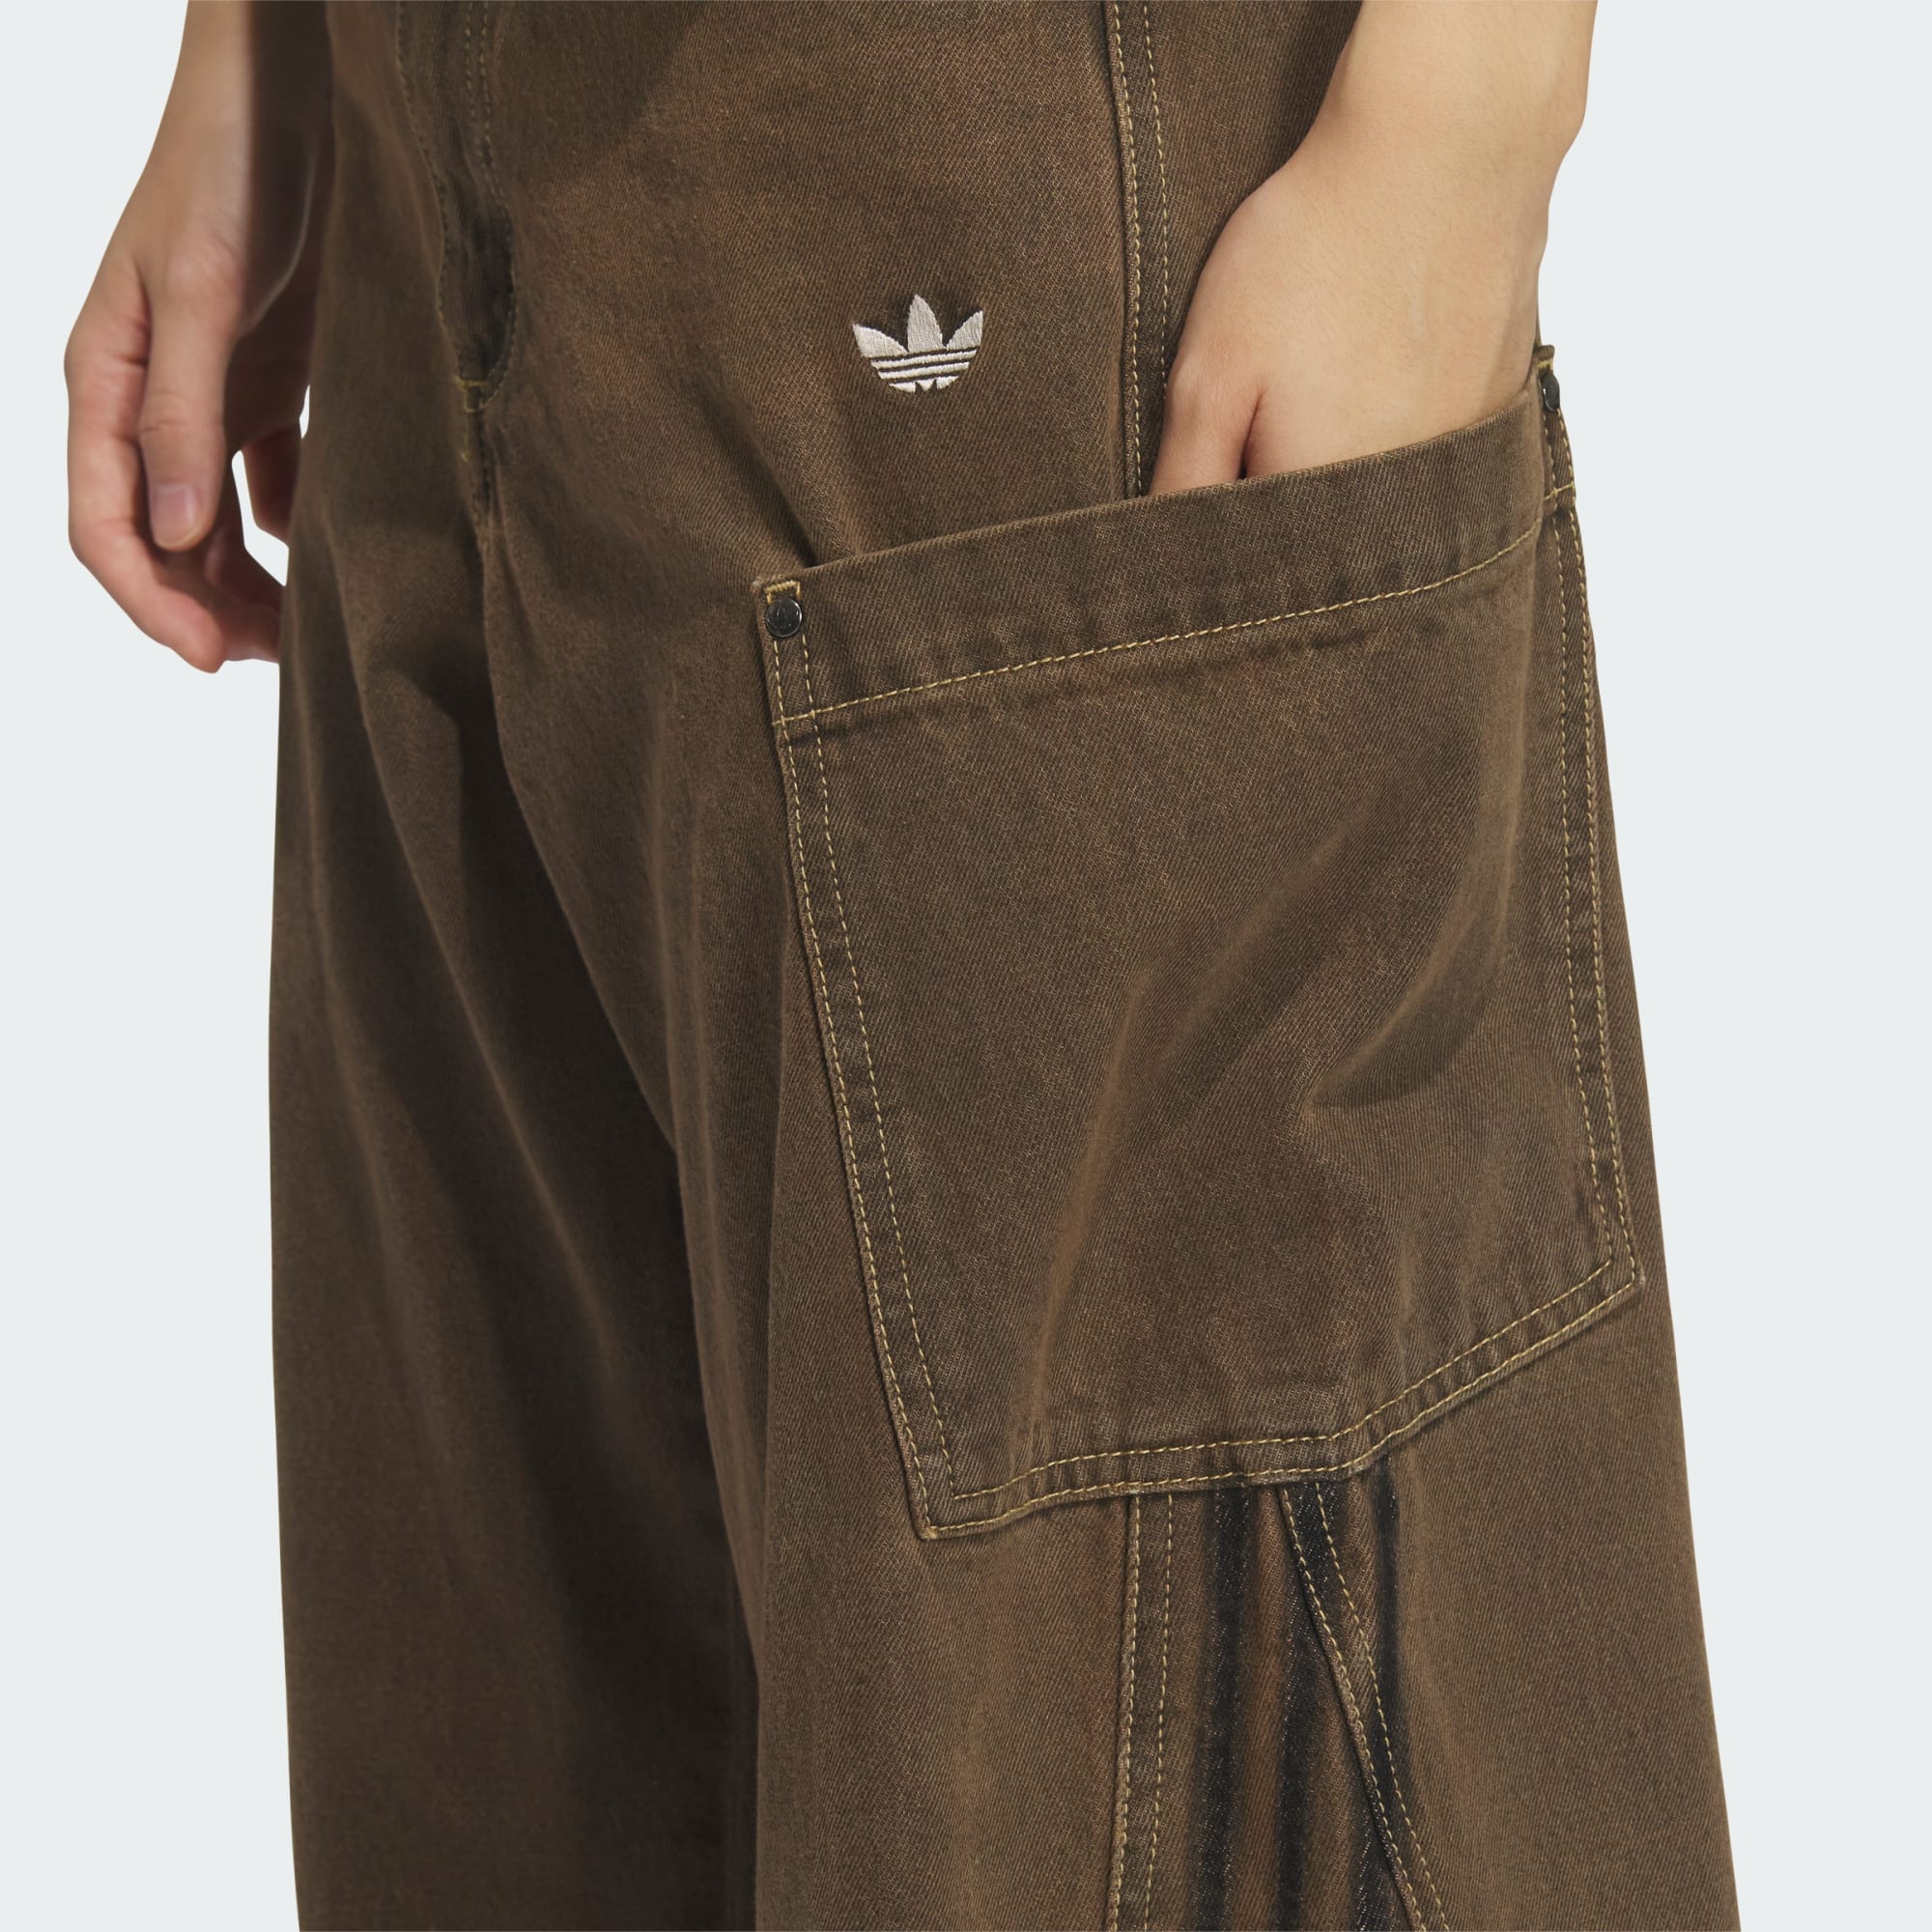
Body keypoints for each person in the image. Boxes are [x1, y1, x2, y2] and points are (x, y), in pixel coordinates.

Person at [66, 5, 1737, 1926]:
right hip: (428, 177)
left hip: (1027, 197)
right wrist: (260, 47)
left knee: (1116, 1804)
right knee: (510, 1789)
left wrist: (1471, 103)